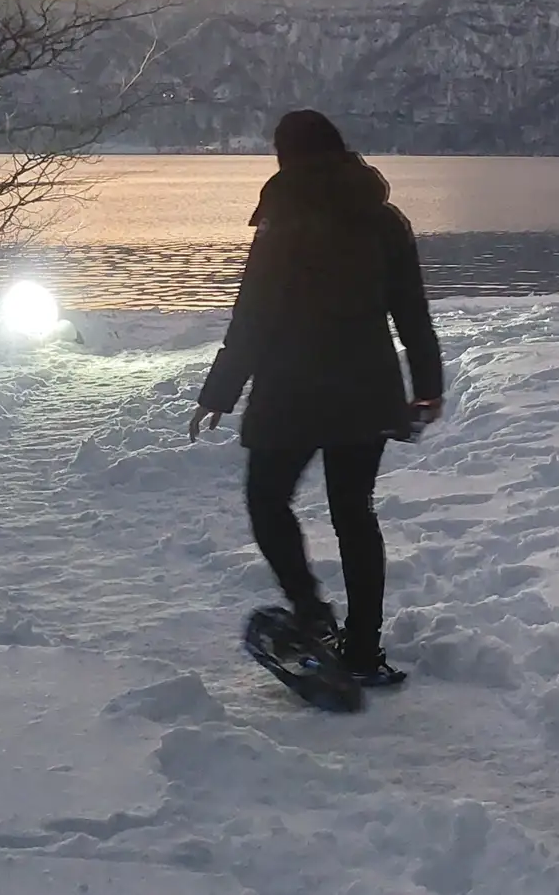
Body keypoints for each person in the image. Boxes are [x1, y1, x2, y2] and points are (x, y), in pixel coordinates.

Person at [189, 109, 443, 686]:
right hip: (366, 389)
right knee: (354, 513)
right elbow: (412, 314)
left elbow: (253, 315)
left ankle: (310, 612)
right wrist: (428, 386)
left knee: (266, 499)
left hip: (293, 390)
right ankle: (363, 648)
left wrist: (220, 391)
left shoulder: (285, 216)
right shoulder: (383, 218)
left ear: (287, 155)